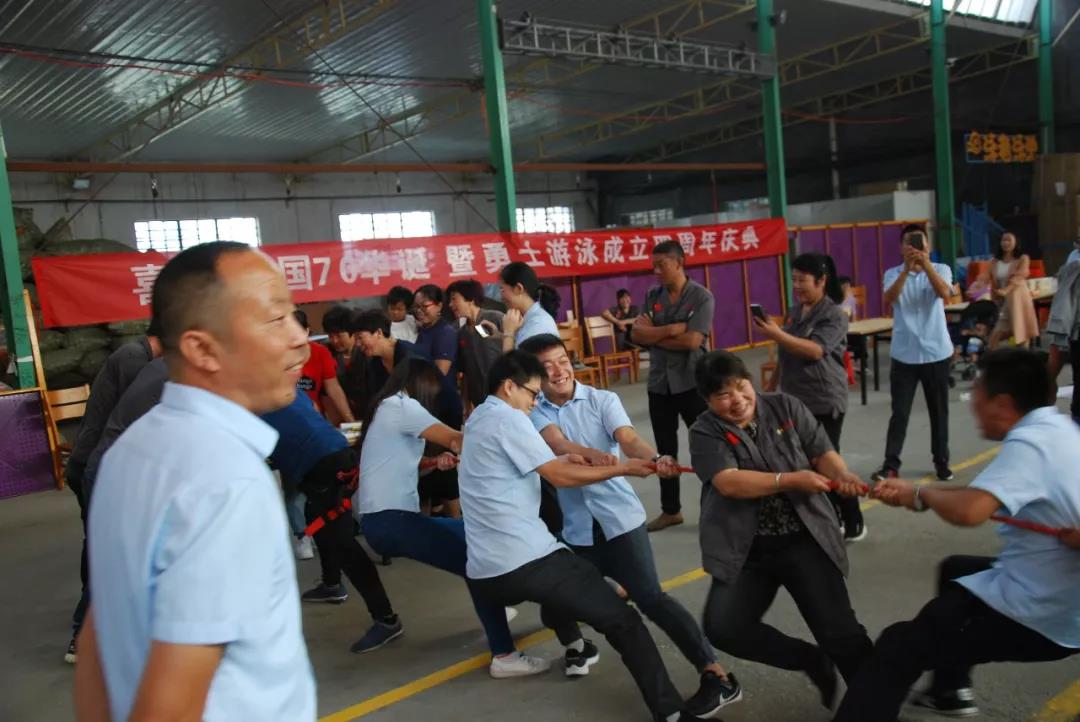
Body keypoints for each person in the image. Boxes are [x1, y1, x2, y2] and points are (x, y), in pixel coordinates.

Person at [75, 242, 315, 722]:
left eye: (293, 316)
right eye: (275, 320)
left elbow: (99, 638)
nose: (300, 338)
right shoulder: (225, 482)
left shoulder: (132, 450)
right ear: (202, 348)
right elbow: (170, 705)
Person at [835, 348, 1080, 721]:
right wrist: (915, 494)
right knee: (957, 569)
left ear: (1002, 403)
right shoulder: (1059, 429)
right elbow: (979, 496)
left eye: (977, 391)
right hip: (1069, 594)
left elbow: (970, 511)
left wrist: (920, 493)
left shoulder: (1029, 447)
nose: (972, 402)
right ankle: (950, 690)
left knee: (899, 646)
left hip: (1047, 612)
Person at [458, 350, 698, 722]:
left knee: (563, 595)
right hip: (527, 557)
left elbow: (552, 460)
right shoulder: (510, 419)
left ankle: (577, 643)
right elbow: (559, 476)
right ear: (509, 387)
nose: (534, 402)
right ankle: (672, 713)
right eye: (531, 394)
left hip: (486, 572)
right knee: (625, 622)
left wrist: (588, 459)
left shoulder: (479, 418)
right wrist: (621, 469)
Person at [519, 334, 742, 717]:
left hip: (620, 522)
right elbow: (559, 446)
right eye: (546, 367)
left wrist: (655, 457)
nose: (557, 371)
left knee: (653, 600)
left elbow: (629, 438)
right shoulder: (535, 411)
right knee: (555, 602)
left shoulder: (603, 400)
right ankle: (579, 645)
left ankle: (718, 675)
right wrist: (606, 460)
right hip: (577, 531)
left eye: (561, 360)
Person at [689, 350, 873, 711]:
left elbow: (821, 451)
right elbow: (729, 483)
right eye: (724, 395)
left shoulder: (786, 407)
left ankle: (876, 707)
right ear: (708, 400)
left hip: (805, 537)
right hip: (746, 547)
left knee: (840, 632)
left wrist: (842, 475)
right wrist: (791, 479)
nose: (738, 400)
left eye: (742, 388)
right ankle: (810, 660)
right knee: (724, 626)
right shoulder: (704, 430)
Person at [354, 357, 550, 677]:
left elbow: (393, 463)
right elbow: (461, 439)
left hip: (384, 520)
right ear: (421, 383)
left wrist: (433, 463)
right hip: (393, 520)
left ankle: (494, 612)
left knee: (469, 541)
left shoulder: (386, 407)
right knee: (477, 561)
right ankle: (504, 654)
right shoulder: (404, 406)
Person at [262, 392, 402, 652]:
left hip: (323, 464)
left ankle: (387, 619)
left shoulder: (247, 398)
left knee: (343, 545)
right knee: (318, 520)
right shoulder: (281, 386)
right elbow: (311, 408)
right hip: (332, 454)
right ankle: (331, 583)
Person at [63, 329, 162, 663]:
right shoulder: (136, 362)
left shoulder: (136, 357)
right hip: (97, 465)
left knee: (99, 547)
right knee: (111, 553)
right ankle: (84, 634)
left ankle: (96, 624)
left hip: (92, 463)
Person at [754, 253, 865, 542]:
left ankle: (852, 521)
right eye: (794, 280)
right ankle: (828, 519)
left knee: (826, 461)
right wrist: (772, 390)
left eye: (803, 280)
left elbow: (815, 350)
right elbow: (787, 354)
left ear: (822, 281)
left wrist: (778, 334)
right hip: (794, 399)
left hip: (823, 399)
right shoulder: (795, 312)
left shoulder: (834, 316)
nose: (798, 286)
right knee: (801, 462)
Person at [628, 240, 716, 531]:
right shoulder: (653, 295)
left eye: (661, 264)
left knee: (707, 444)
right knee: (665, 451)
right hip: (659, 384)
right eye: (653, 265)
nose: (655, 271)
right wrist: (669, 330)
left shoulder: (702, 297)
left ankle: (720, 506)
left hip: (692, 383)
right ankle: (671, 510)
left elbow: (693, 341)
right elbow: (637, 335)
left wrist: (653, 334)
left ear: (678, 263)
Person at [872, 224, 955, 483]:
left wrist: (926, 264)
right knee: (900, 413)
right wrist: (907, 270)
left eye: (920, 242)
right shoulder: (892, 273)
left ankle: (941, 462)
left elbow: (944, 294)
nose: (915, 247)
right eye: (909, 242)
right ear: (901, 247)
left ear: (928, 245)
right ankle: (890, 464)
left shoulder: (942, 269)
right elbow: (890, 298)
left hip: (936, 352)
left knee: (938, 411)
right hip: (904, 355)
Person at [447, 279, 504, 409]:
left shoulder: (495, 318)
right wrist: (466, 405)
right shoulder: (461, 333)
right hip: (480, 401)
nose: (450, 305)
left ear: (470, 299)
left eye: (454, 299)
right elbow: (465, 374)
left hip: (504, 395)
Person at [294, 309, 354, 424]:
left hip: (316, 419)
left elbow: (333, 389)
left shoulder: (321, 352)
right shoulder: (277, 357)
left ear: (306, 331)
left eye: (297, 334)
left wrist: (350, 420)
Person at [987, 232, 1039, 349]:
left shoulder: (1022, 258)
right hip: (1004, 300)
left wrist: (1006, 290)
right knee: (1003, 332)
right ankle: (994, 362)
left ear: (1016, 242)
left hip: (1018, 298)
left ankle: (1023, 361)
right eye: (1003, 240)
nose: (1005, 243)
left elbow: (1021, 275)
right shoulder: (995, 262)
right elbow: (987, 278)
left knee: (1021, 332)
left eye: (1009, 240)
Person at [498, 262, 561, 351]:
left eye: (502, 289)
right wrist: (500, 334)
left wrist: (509, 333)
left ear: (518, 288)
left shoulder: (538, 324)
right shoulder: (528, 319)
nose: (501, 298)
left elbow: (511, 364)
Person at [322, 304, 367, 416]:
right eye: (330, 336)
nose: (334, 341)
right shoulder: (327, 353)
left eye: (339, 335)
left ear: (352, 332)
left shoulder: (367, 351)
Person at [412, 284, 458, 377]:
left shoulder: (445, 333)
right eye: (416, 306)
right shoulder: (424, 329)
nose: (419, 310)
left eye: (424, 306)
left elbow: (439, 374)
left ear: (439, 306)